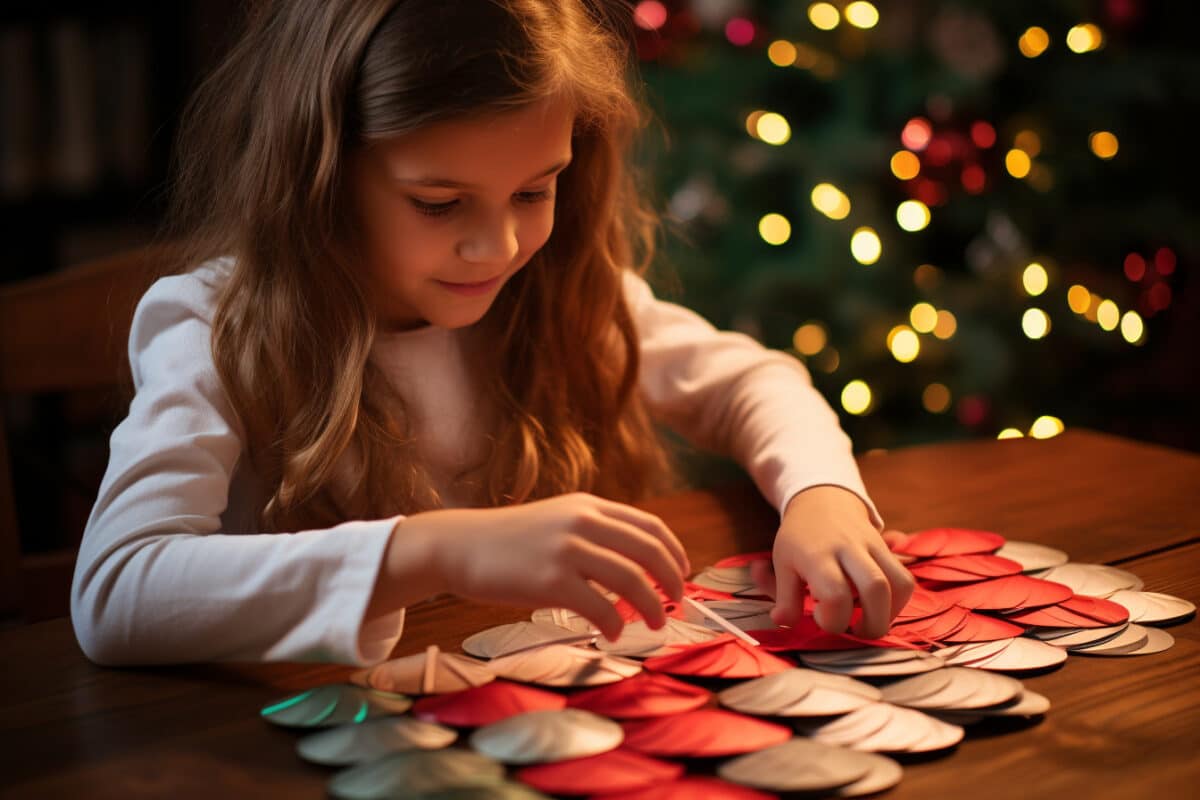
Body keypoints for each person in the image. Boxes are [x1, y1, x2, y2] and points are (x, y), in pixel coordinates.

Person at [71, 0, 914, 666]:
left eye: (535, 190)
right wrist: (439, 551)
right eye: (440, 204)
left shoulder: (555, 295)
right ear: (318, 174)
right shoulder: (214, 328)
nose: (499, 247)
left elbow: (750, 383)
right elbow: (116, 594)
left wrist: (822, 498)